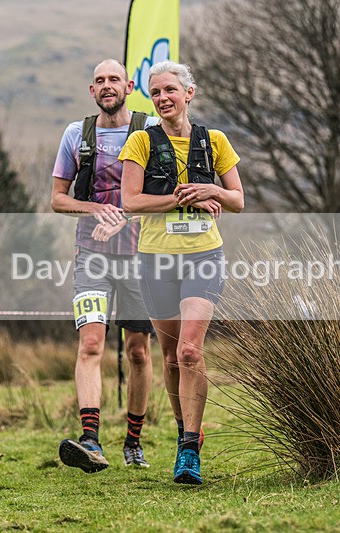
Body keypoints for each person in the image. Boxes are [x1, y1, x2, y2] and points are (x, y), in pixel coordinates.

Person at [119, 60, 244, 484]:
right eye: (155, 93)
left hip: (203, 256)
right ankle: (183, 429)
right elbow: (131, 202)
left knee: (190, 351)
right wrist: (182, 198)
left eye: (170, 90)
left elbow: (237, 200)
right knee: (171, 357)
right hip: (156, 259)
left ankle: (190, 450)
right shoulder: (141, 141)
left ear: (189, 93)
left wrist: (212, 189)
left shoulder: (215, 141)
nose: (162, 98)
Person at [51, 59, 159, 473]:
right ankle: (90, 442)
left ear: (129, 86)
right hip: (91, 257)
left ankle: (134, 442)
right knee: (91, 345)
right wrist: (96, 209)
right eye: (100, 80)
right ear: (91, 90)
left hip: (141, 256)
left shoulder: (151, 130)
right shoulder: (76, 134)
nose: (107, 85)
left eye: (114, 79)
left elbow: (164, 193)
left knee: (138, 351)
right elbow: (58, 199)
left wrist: (124, 218)